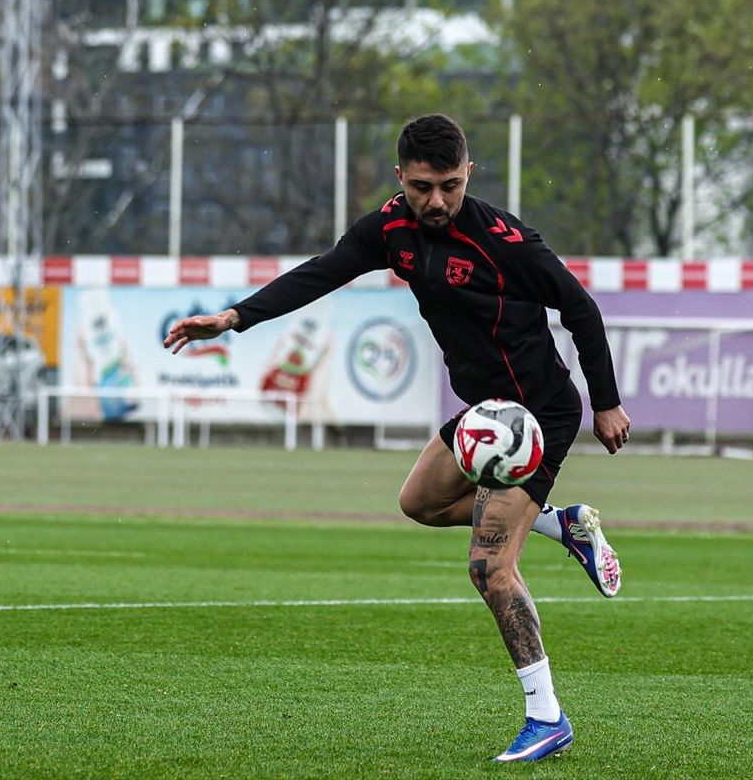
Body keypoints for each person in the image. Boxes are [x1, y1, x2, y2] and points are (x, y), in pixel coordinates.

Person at [164, 113, 630, 763]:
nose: (435, 201)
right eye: (421, 186)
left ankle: (546, 715)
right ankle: (565, 526)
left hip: (535, 415)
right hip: (483, 411)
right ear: (400, 178)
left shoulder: (506, 242)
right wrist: (235, 317)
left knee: (489, 567)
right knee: (418, 502)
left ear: (468, 172)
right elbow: (323, 271)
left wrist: (605, 402)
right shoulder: (390, 229)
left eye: (447, 185)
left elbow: (579, 308)